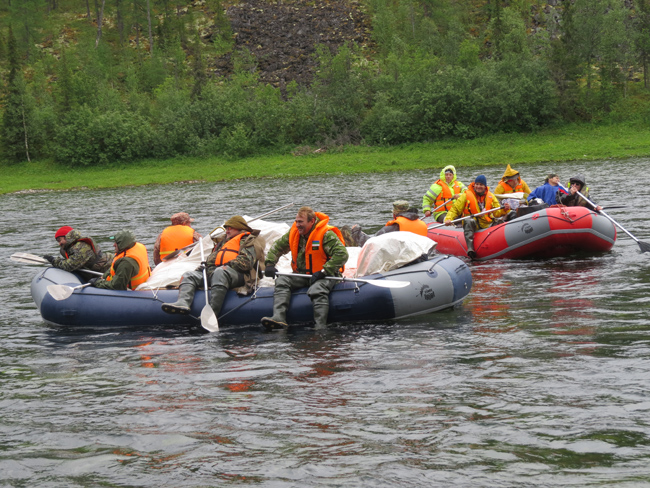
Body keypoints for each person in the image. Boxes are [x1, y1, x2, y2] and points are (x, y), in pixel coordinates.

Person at [261, 206, 349, 331]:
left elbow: (342, 254)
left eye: (301, 222)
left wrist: (324, 271)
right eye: (296, 221)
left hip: (326, 274)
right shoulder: (294, 234)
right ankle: (279, 317)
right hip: (303, 275)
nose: (297, 225)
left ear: (312, 221)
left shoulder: (326, 235)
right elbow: (277, 247)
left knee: (317, 289)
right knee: (282, 280)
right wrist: (270, 264)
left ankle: (320, 326)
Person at [160, 216, 265, 317]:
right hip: (217, 272)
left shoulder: (248, 240)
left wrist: (226, 265)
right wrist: (204, 268)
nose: (227, 231)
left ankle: (212, 313)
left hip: (238, 275)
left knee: (220, 272)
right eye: (226, 228)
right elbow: (212, 260)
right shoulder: (223, 242)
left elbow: (246, 263)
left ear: (240, 229)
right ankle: (183, 303)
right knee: (189, 275)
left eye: (230, 229)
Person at [444, 175, 511, 259]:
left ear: (485, 186)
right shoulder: (466, 195)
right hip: (473, 224)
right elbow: (455, 209)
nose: (478, 186)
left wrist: (505, 210)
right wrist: (448, 219)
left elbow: (496, 213)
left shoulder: (490, 196)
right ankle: (470, 249)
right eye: (477, 184)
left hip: (487, 223)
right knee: (468, 221)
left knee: (500, 222)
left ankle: (500, 246)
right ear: (474, 185)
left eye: (481, 185)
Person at [348, 200, 428, 247]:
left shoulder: (393, 227)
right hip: (423, 257)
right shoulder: (421, 223)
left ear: (395, 213)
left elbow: (371, 244)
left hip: (406, 262)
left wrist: (356, 232)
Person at [43, 226, 113, 273]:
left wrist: (54, 261)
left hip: (107, 267)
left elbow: (70, 265)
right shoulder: (70, 247)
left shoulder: (81, 247)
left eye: (59, 240)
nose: (59, 244)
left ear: (67, 237)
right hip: (97, 268)